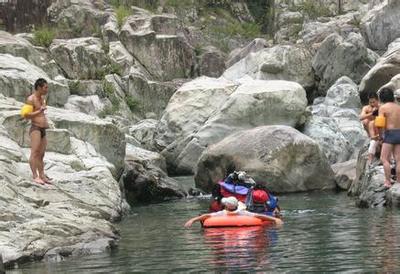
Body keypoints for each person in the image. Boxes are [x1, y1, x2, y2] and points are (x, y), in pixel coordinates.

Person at [184, 196, 283, 228]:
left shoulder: (222, 213)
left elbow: (206, 215)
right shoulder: (244, 213)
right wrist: (275, 219)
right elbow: (259, 216)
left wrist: (193, 220)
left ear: (226, 206)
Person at [25, 78, 51, 185]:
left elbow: (42, 114)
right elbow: (26, 115)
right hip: (35, 128)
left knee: (41, 154)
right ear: (39, 87)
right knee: (34, 153)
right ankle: (35, 176)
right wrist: (40, 111)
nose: (47, 89)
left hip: (43, 129)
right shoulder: (31, 99)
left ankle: (42, 175)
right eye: (45, 87)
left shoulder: (43, 99)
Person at [377, 87, 400, 188]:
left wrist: (381, 136)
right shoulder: (398, 107)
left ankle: (387, 182)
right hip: (399, 133)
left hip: (390, 134)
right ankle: (399, 181)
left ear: (381, 98)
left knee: (384, 158)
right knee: (398, 159)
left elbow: (379, 124)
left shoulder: (383, 108)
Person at [360, 93, 380, 164]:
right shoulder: (366, 108)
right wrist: (372, 114)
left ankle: (375, 140)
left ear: (377, 100)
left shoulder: (381, 107)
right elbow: (361, 117)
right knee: (365, 121)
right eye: (370, 102)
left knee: (373, 122)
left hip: (380, 129)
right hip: (371, 130)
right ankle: (372, 138)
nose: (372, 104)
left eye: (373, 102)